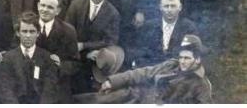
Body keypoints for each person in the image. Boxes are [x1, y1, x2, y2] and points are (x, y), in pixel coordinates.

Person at [76, 34, 212, 104]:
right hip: (135, 94)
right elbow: (144, 72)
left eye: (187, 58)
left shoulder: (201, 85)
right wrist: (113, 81)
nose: (182, 61)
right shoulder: (172, 64)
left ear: (198, 59)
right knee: (91, 99)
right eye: (181, 57)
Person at [65, 0, 120, 93]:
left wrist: (85, 46)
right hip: (75, 58)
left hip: (97, 63)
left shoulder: (113, 13)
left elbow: (110, 41)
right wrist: (82, 53)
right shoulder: (76, 6)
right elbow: (67, 34)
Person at [0, 12, 58, 104]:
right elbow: (4, 89)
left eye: (32, 31)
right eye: (24, 31)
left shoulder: (47, 58)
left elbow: (49, 90)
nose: (28, 36)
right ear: (17, 33)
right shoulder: (7, 58)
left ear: (38, 33)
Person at [130, 0, 198, 67]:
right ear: (160, 7)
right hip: (152, 70)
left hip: (178, 70)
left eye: (173, 6)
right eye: (166, 6)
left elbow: (190, 55)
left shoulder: (188, 27)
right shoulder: (149, 26)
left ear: (180, 7)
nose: (169, 10)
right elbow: (141, 53)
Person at [34, 0, 79, 103]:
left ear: (58, 11)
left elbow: (75, 63)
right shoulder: (27, 25)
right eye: (42, 5)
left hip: (57, 83)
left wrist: (60, 65)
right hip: (31, 81)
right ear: (38, 5)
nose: (44, 10)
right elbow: (16, 51)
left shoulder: (68, 31)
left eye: (50, 7)